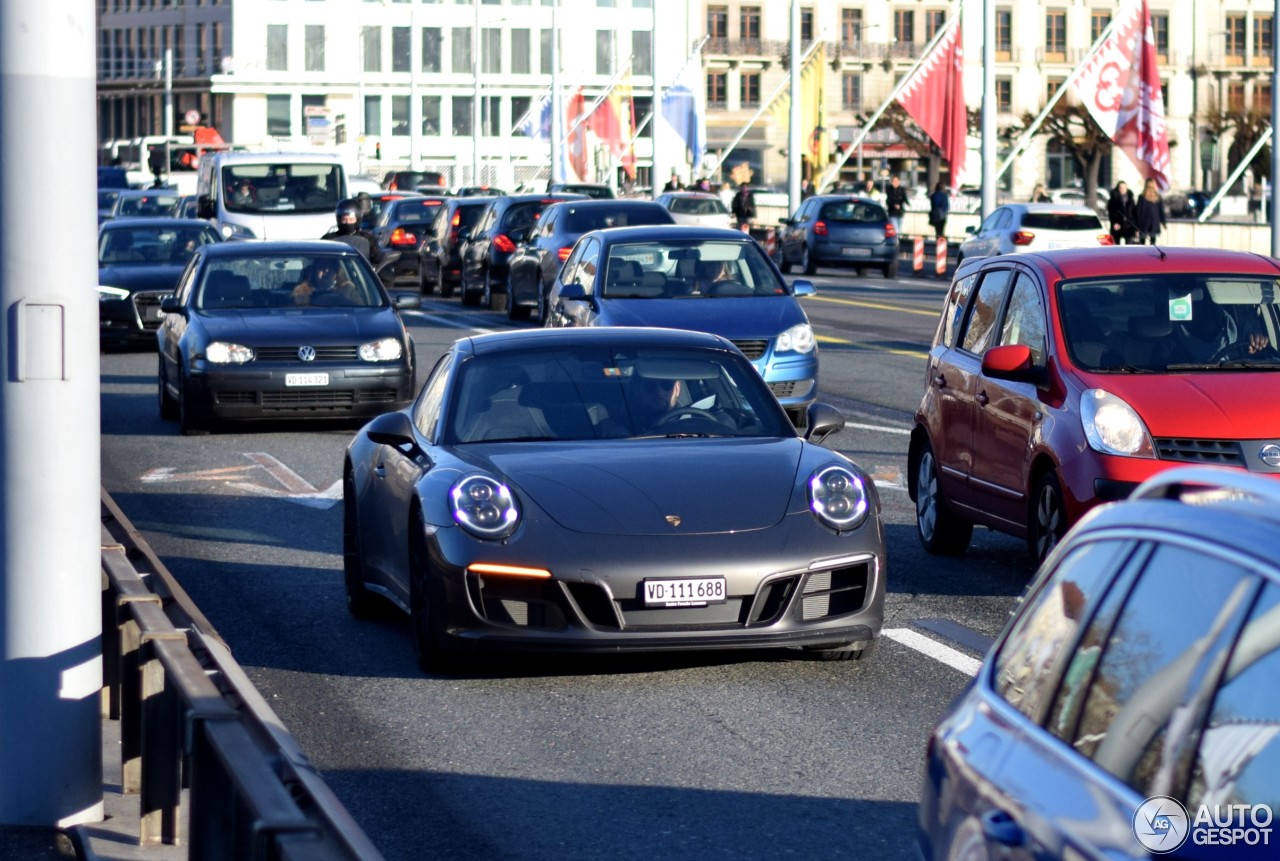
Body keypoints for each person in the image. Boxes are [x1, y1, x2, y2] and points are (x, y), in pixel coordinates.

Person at [325, 199, 383, 267]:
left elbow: (377, 258)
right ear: (339, 220)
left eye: (351, 220)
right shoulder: (329, 239)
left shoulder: (368, 238)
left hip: (361, 275)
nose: (347, 223)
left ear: (358, 220)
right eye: (344, 220)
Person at [292, 259, 358, 305]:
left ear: (336, 272)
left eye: (330, 267)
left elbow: (360, 311)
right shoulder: (302, 292)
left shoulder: (348, 290)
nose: (326, 270)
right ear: (314, 272)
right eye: (322, 267)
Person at [1135, 178, 1166, 245]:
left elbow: (1138, 212)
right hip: (1151, 222)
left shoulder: (1144, 197)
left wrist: (1137, 224)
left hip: (1146, 222)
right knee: (1152, 241)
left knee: (1143, 242)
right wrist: (1164, 222)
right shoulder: (1143, 197)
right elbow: (1161, 211)